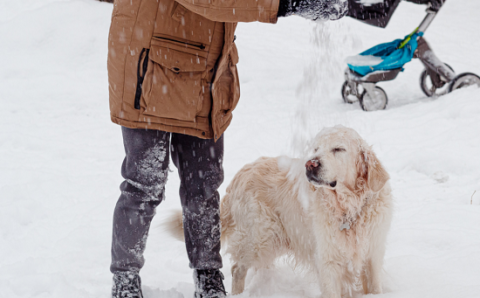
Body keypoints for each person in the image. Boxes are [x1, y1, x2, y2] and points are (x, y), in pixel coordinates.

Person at [107, 0, 348, 297]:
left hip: (204, 70)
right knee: (144, 185)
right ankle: (125, 279)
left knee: (204, 186)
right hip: (150, 65)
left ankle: (208, 274)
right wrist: (288, 3)